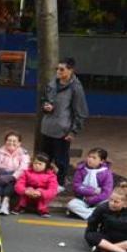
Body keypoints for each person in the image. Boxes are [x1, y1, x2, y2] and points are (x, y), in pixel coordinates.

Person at [40, 58, 88, 190]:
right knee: (45, 157)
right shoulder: (52, 83)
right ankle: (44, 181)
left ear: (71, 70)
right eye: (57, 69)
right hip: (47, 127)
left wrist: (73, 131)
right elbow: (44, 99)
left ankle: (60, 183)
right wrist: (45, 106)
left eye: (62, 69)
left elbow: (81, 112)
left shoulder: (76, 88)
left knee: (61, 159)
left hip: (63, 130)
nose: (58, 72)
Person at [0, 131, 30, 215]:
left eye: (14, 141)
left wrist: (13, 177)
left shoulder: (24, 153)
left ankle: (5, 202)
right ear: (5, 141)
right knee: (1, 174)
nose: (11, 143)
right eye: (9, 140)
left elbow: (23, 167)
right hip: (0, 175)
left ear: (19, 143)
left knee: (12, 179)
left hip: (14, 177)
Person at [66, 148, 114, 220]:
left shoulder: (106, 173)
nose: (90, 159)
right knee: (71, 205)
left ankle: (87, 214)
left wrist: (93, 199)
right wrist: (93, 191)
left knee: (108, 205)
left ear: (101, 161)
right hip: (83, 199)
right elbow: (76, 186)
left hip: (99, 200)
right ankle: (95, 215)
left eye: (94, 158)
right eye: (89, 156)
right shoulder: (81, 170)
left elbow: (107, 192)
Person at [85, 184, 127, 252]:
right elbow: (91, 228)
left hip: (124, 239)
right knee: (90, 235)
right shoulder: (102, 208)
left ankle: (105, 250)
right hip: (107, 238)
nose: (111, 203)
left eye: (116, 202)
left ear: (125, 204)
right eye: (110, 200)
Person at [12, 153, 58, 217]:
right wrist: (25, 190)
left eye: (40, 164)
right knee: (28, 189)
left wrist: (41, 192)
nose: (37, 165)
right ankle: (21, 206)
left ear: (46, 165)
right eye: (35, 163)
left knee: (41, 191)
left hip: (41, 196)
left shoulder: (51, 175)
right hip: (28, 194)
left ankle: (42, 209)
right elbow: (18, 185)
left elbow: (53, 190)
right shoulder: (26, 172)